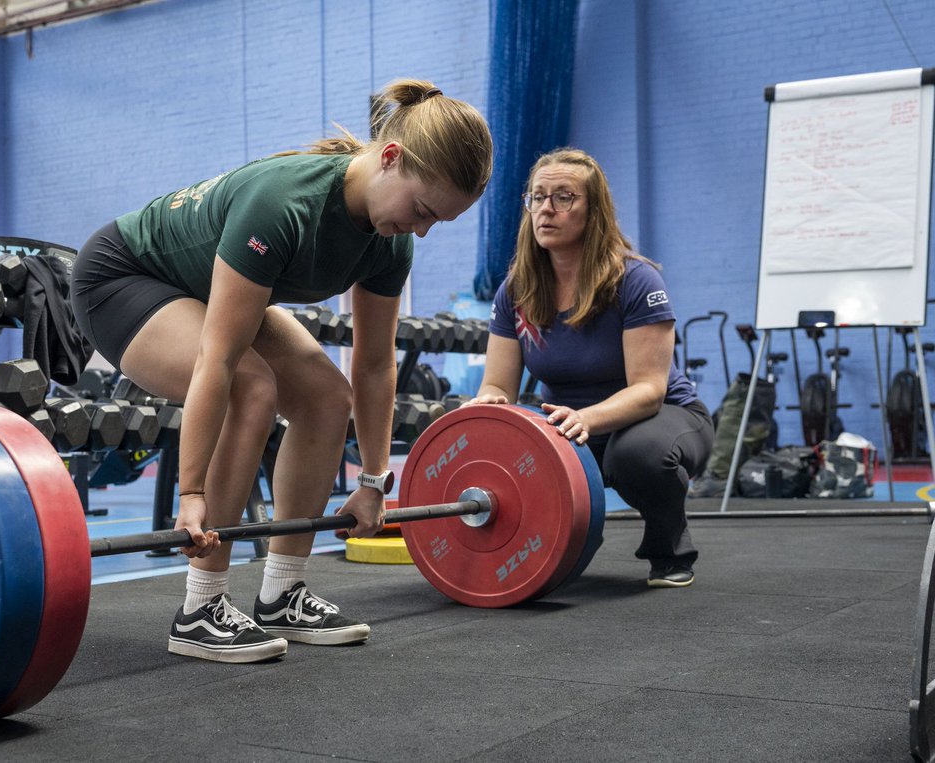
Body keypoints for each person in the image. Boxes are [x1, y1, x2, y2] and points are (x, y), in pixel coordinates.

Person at [71, 79, 492, 662]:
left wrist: (372, 483)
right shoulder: (284, 203)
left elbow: (372, 365)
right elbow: (216, 358)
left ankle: (284, 590)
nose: (421, 229)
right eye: (421, 210)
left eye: (436, 222)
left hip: (200, 290)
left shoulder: (389, 241)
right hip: (121, 281)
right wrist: (190, 493)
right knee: (251, 384)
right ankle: (201, 605)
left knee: (325, 395)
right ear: (391, 158)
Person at [467, 147, 713, 588]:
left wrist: (586, 418)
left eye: (563, 197)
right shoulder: (517, 290)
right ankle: (561, 551)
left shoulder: (635, 281)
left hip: (659, 417)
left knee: (636, 456)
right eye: (538, 197)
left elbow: (649, 390)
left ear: (592, 210)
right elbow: (498, 385)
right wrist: (489, 403)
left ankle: (669, 550)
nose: (546, 208)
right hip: (570, 427)